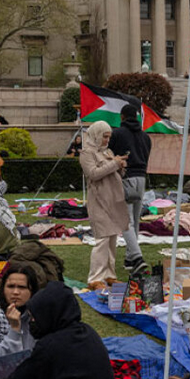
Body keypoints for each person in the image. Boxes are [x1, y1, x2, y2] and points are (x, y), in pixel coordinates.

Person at [79, 122, 127, 289]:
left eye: (108, 137)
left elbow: (112, 173)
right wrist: (114, 164)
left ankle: (109, 275)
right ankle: (95, 278)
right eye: (104, 136)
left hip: (112, 199)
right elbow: (93, 174)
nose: (107, 140)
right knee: (102, 239)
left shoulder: (107, 152)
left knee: (112, 238)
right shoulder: (86, 153)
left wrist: (120, 166)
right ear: (96, 135)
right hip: (98, 201)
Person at [110, 104, 151, 275]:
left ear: (122, 117)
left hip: (126, 178)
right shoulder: (145, 136)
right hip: (142, 178)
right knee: (135, 220)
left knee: (126, 221)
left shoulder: (117, 133)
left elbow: (109, 155)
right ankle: (129, 259)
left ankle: (137, 257)